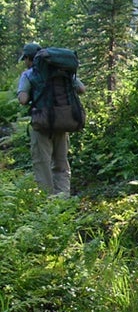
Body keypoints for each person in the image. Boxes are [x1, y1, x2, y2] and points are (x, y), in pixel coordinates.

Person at [16, 42, 86, 198]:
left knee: (42, 164)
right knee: (61, 163)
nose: (25, 63)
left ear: (29, 58)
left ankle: (46, 202)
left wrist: (30, 94)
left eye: (25, 60)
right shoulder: (62, 71)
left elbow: (22, 99)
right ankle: (63, 199)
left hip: (42, 124)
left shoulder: (29, 74)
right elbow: (81, 89)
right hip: (63, 121)